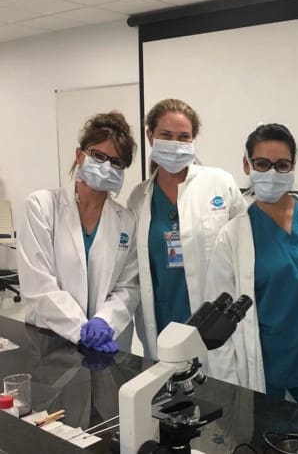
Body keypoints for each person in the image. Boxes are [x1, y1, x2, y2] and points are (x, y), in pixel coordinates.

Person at [205, 123, 298, 411]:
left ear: (293, 167)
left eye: (281, 165)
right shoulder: (233, 236)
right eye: (262, 164)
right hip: (265, 368)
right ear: (247, 165)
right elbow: (218, 322)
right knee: (268, 441)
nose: (272, 173)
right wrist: (226, 384)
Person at [127, 98, 246, 359]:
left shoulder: (220, 184)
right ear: (150, 136)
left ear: (193, 140)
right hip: (161, 324)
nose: (176, 144)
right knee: (166, 392)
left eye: (184, 137)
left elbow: (246, 254)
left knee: (217, 395)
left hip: (215, 328)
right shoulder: (139, 198)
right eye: (166, 136)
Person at [17, 111, 140, 353]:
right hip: (51, 338)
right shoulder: (42, 206)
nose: (106, 166)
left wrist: (104, 320)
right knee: (58, 391)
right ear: (79, 155)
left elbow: (128, 286)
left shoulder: (126, 220)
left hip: (108, 340)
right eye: (98, 156)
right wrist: (80, 328)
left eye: (116, 162)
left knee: (110, 392)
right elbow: (38, 284)